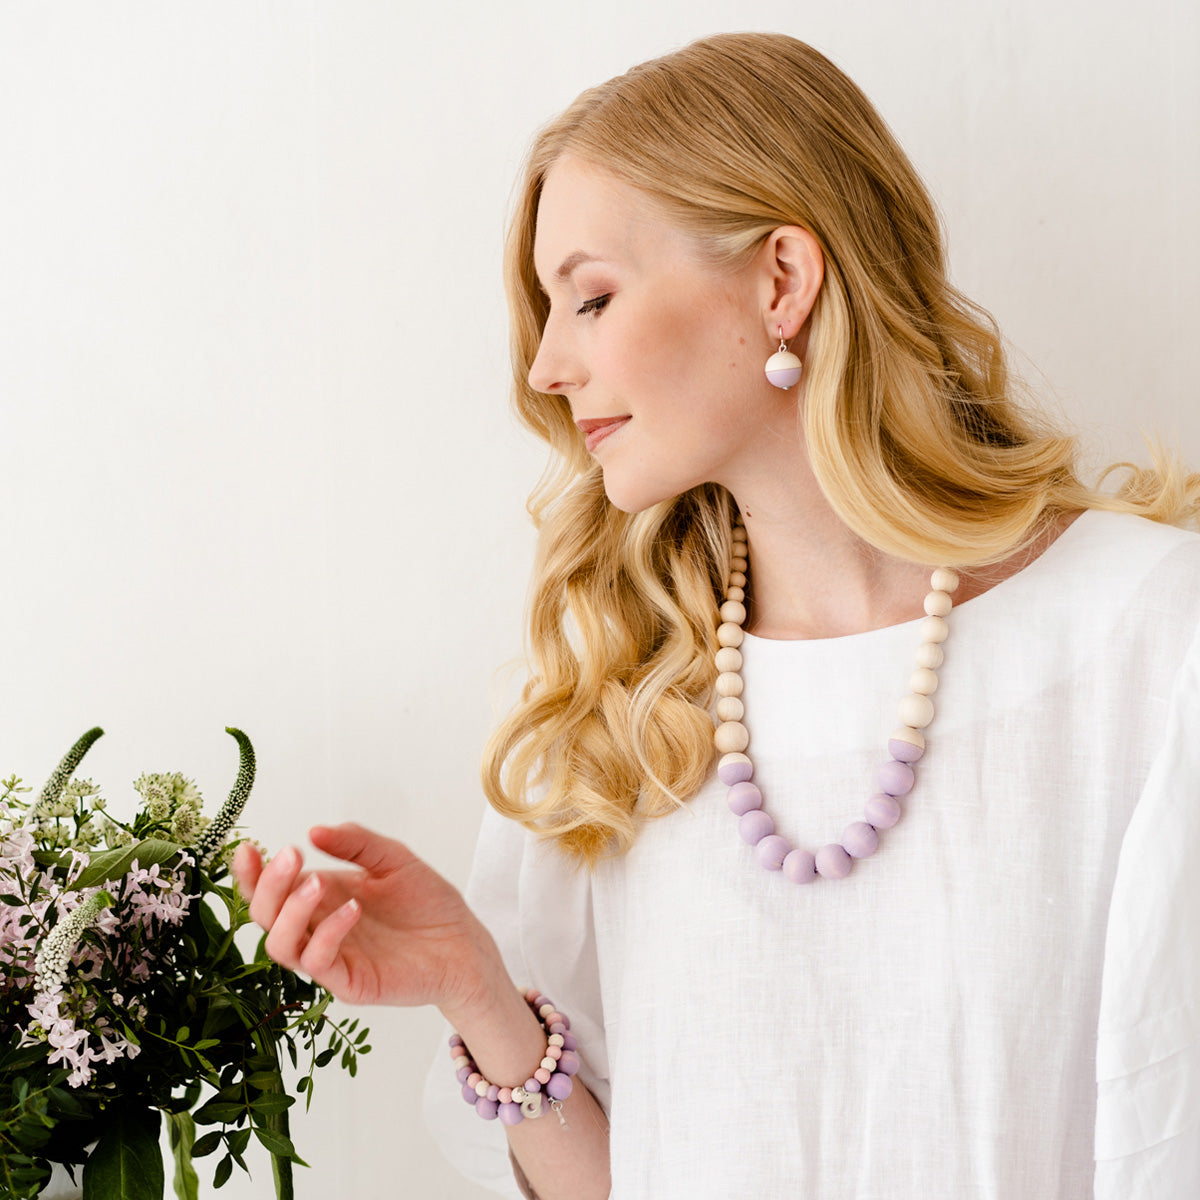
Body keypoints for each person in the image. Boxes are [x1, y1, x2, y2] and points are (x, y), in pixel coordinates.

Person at [232, 31, 1200, 1200]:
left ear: (781, 280)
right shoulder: (623, 699)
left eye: (590, 296)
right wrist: (475, 987)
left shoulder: (1145, 641)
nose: (545, 366)